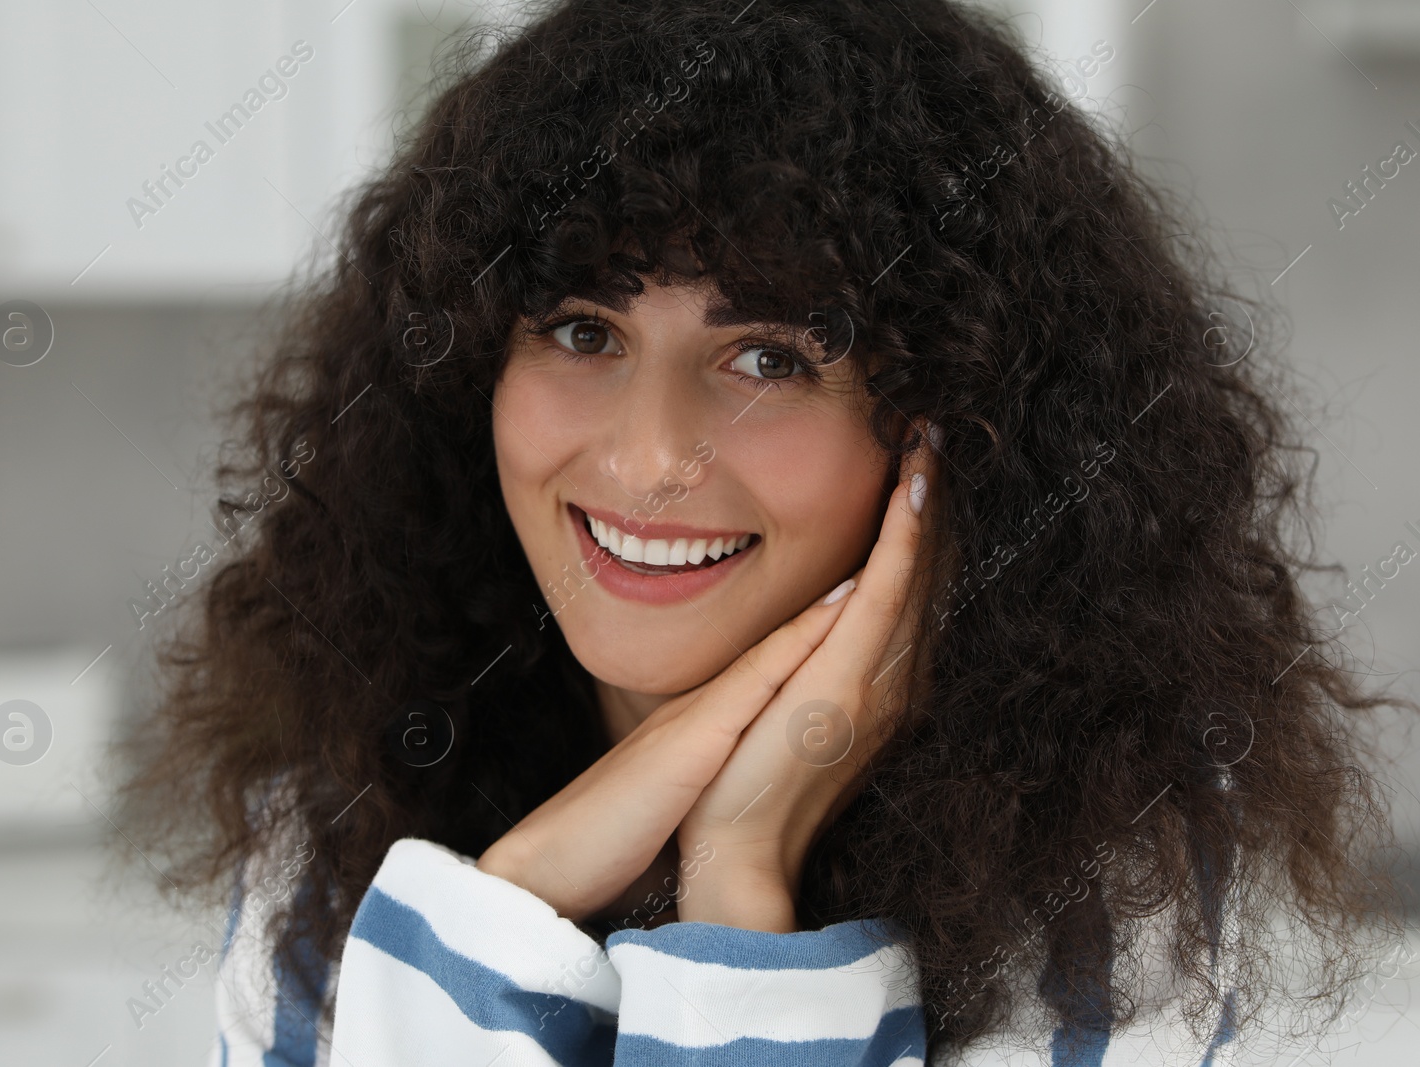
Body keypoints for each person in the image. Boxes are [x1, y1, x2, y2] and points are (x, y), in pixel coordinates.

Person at [115, 0, 1417, 1064]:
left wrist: (742, 882)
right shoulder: (329, 822)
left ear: (955, 428)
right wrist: (512, 898)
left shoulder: (1107, 907)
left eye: (770, 358)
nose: (643, 456)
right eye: (583, 331)